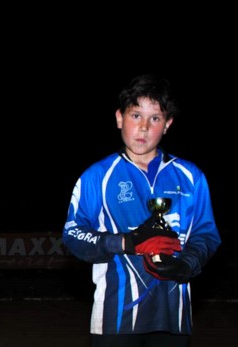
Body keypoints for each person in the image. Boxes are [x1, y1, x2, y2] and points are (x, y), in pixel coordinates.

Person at [62, 73, 221, 347]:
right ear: (119, 118)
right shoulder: (96, 177)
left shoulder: (191, 176)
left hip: (174, 316)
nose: (144, 127)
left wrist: (187, 264)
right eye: (136, 115)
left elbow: (206, 234)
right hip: (116, 316)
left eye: (155, 118)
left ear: (168, 124)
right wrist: (126, 242)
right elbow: (73, 235)